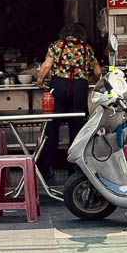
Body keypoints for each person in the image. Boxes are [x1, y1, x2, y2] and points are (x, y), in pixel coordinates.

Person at [37, 22, 101, 179]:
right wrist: (88, 77)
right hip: (79, 88)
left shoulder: (56, 45)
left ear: (64, 34)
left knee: (52, 126)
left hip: (59, 85)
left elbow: (46, 66)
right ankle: (74, 167)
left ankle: (47, 166)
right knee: (77, 127)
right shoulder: (86, 48)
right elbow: (98, 71)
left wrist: (39, 80)